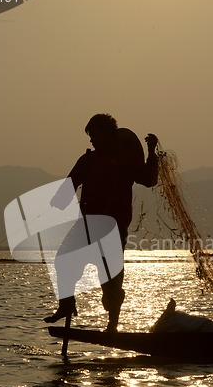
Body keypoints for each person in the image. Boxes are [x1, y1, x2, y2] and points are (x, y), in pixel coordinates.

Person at [45, 113, 159, 332]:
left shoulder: (126, 160)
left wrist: (151, 153)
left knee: (110, 278)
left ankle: (112, 326)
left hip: (112, 229)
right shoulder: (88, 160)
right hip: (86, 225)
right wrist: (58, 200)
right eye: (90, 137)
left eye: (95, 135)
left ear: (108, 135)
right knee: (62, 261)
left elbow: (149, 180)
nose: (92, 141)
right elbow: (68, 187)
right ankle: (66, 306)